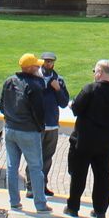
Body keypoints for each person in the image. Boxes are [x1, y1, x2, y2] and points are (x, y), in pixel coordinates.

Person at [65, 59, 109, 218]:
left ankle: (73, 207)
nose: (94, 74)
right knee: (102, 176)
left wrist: (72, 105)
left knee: (79, 175)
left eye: (95, 71)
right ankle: (100, 210)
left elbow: (76, 108)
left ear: (100, 73)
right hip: (105, 144)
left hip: (84, 141)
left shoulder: (89, 89)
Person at [0, 53, 53, 213]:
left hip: (10, 129)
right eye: (37, 66)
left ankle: (14, 202)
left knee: (11, 167)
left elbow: (2, 106)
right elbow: (39, 111)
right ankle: (40, 204)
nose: (39, 68)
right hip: (28, 131)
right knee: (36, 167)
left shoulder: (9, 81)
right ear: (30, 68)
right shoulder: (35, 86)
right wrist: (39, 127)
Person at [38, 50, 71, 183]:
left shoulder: (59, 80)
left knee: (47, 157)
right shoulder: (35, 78)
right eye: (46, 61)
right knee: (35, 157)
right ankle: (31, 186)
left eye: (50, 61)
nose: (48, 64)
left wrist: (57, 89)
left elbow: (63, 103)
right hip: (37, 125)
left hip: (52, 125)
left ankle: (43, 184)